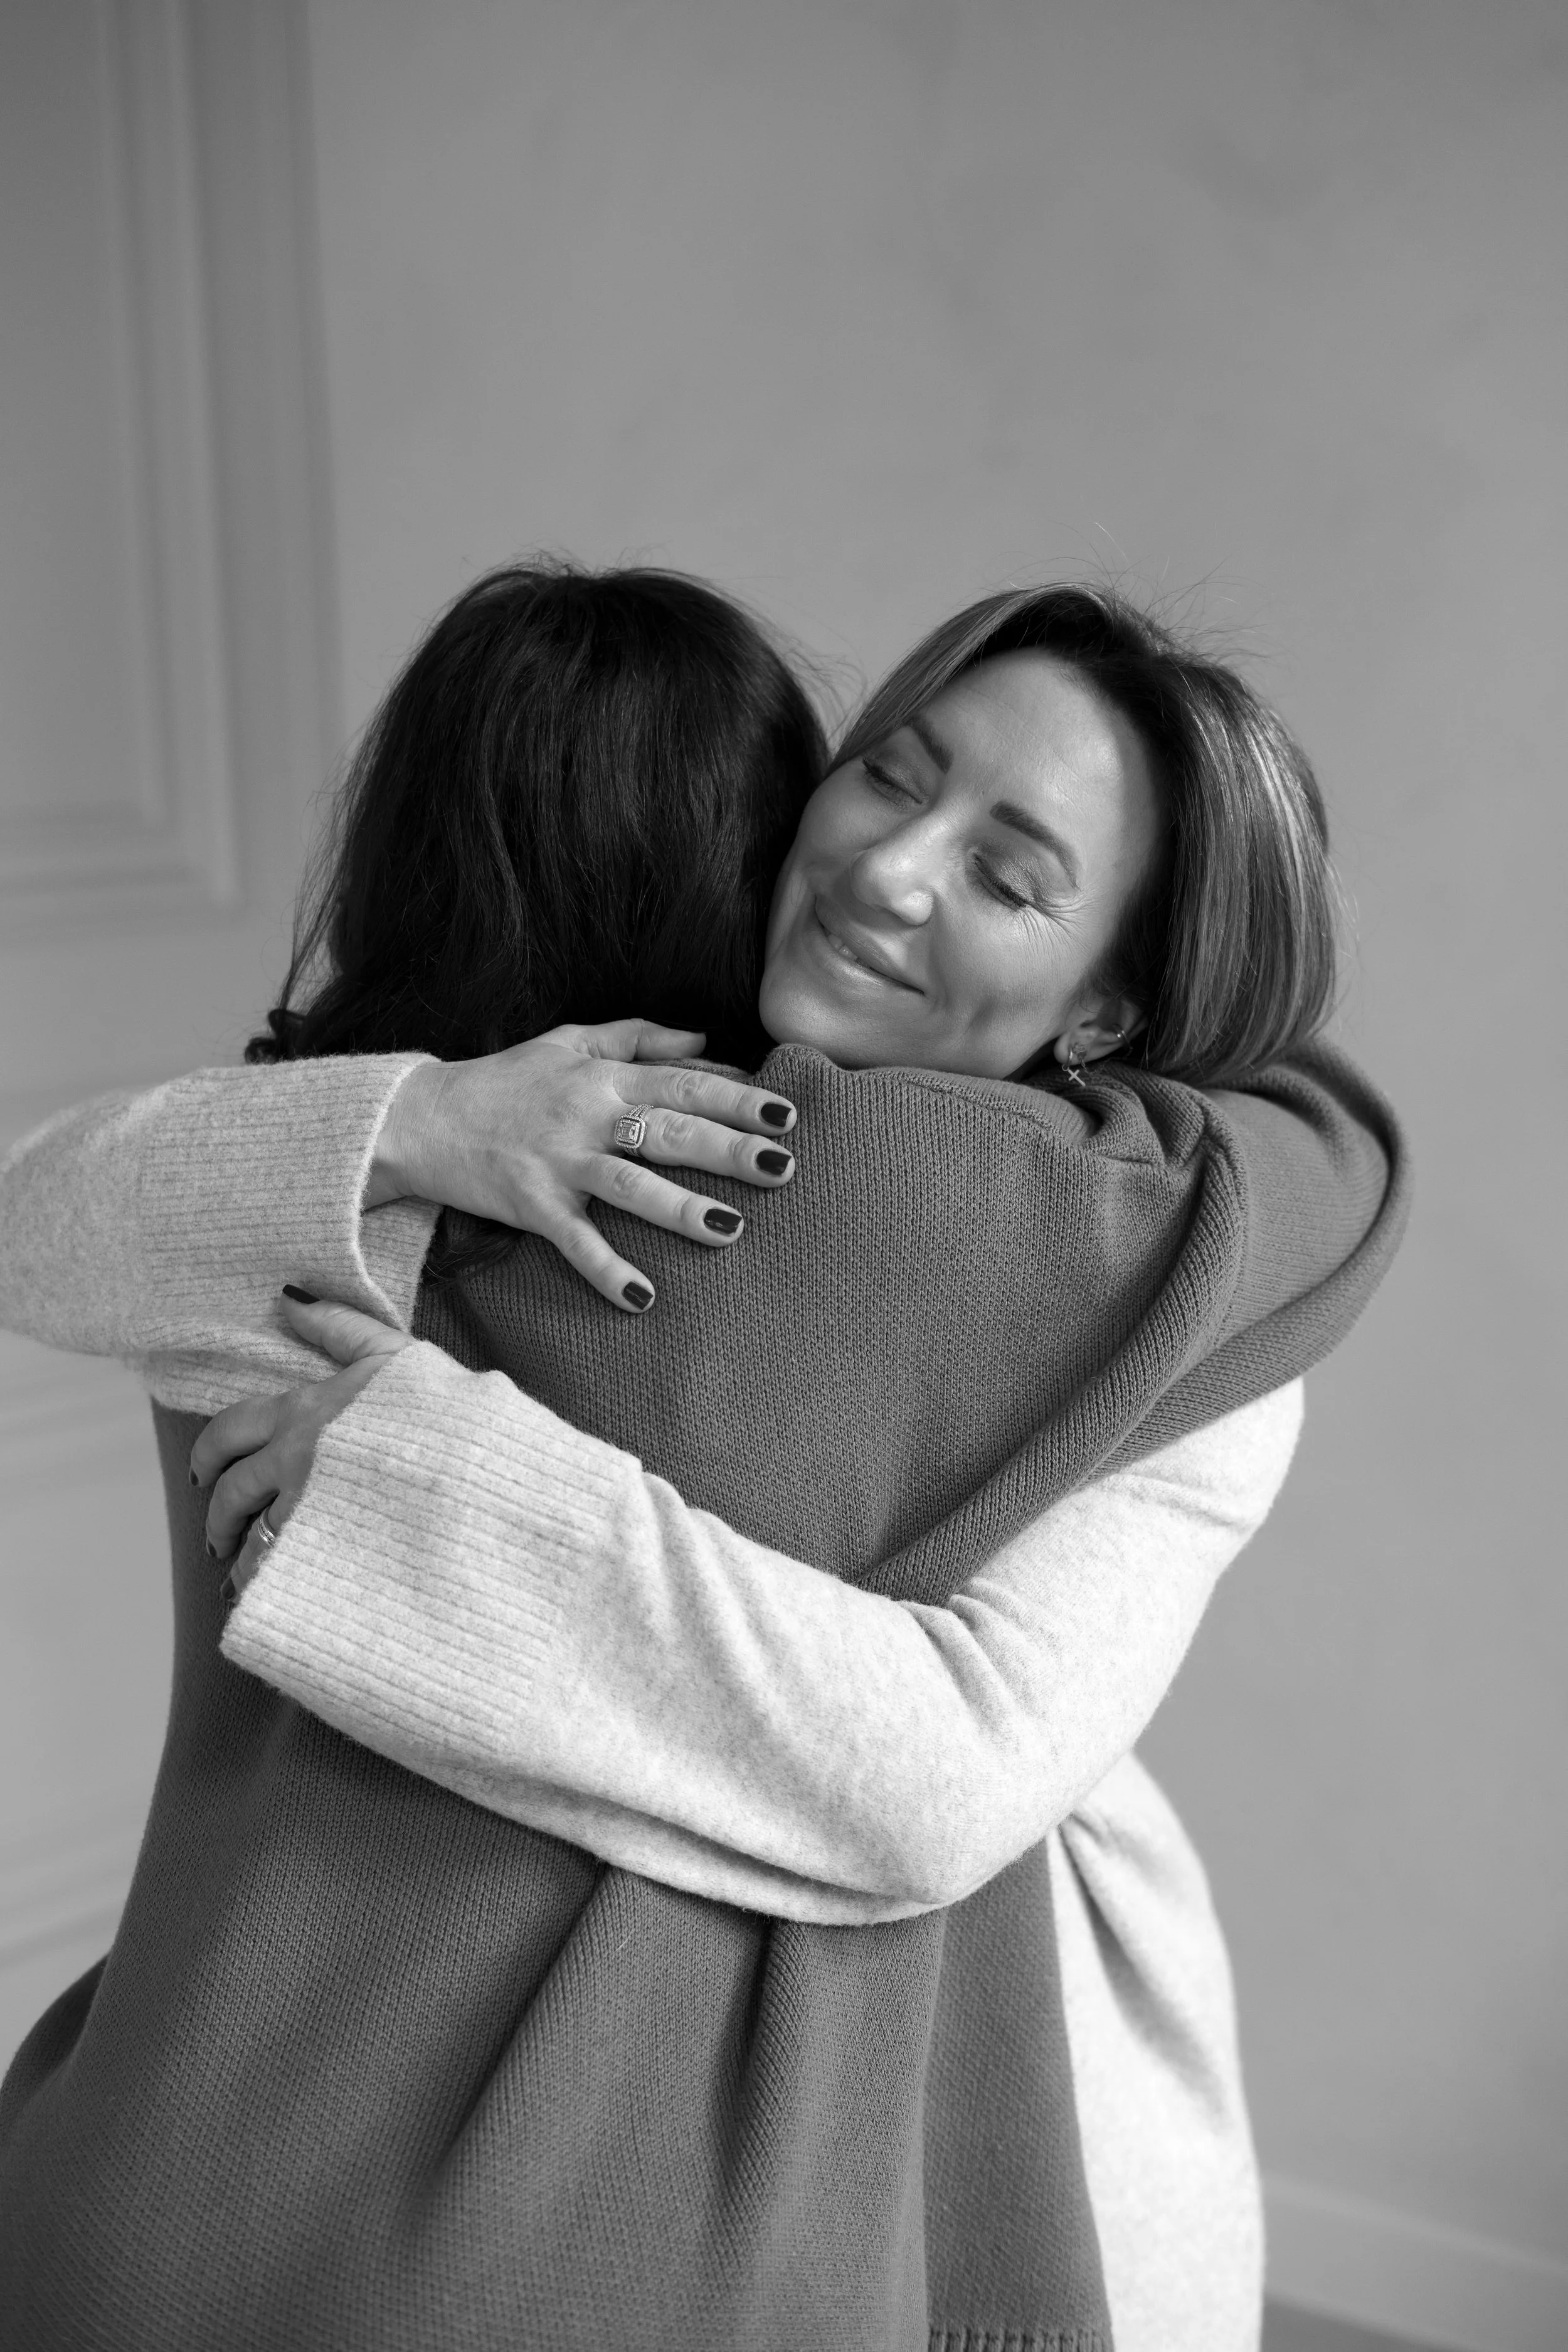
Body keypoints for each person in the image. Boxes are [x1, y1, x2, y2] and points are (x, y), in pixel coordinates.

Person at [0, 563, 1406, 2352]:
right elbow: (39, 1222)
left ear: (1108, 1010)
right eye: (893, 775)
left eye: (1009, 874)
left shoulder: (1177, 1305)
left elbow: (943, 1775)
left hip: (981, 2071)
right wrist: (431, 1118)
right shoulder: (495, 1162)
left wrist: (426, 1467)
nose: (893, 870)